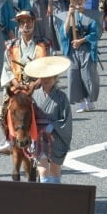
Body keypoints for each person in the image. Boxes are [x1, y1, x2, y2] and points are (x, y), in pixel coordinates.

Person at [0, 9, 48, 153]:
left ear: (33, 23)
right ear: (18, 25)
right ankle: (9, 138)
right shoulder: (11, 46)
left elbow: (48, 67)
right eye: (22, 22)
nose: (26, 25)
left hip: (37, 86)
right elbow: (6, 68)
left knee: (45, 112)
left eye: (28, 21)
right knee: (1, 112)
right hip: (17, 86)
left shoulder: (42, 45)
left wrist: (37, 82)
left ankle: (41, 140)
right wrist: (14, 82)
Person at [23, 55, 72, 183]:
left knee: (55, 170)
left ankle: (56, 196)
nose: (46, 79)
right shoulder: (34, 95)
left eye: (49, 77)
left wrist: (52, 126)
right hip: (39, 137)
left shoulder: (61, 97)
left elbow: (66, 120)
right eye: (43, 77)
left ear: (55, 77)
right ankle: (45, 196)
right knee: (43, 170)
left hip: (56, 136)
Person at [55, 0, 101, 113]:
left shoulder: (91, 15)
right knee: (73, 75)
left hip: (86, 47)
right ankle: (80, 102)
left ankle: (89, 99)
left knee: (88, 74)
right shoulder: (68, 14)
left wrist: (81, 41)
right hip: (72, 49)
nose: (79, 1)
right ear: (72, 1)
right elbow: (64, 33)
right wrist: (70, 15)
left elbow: (94, 33)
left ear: (85, 0)